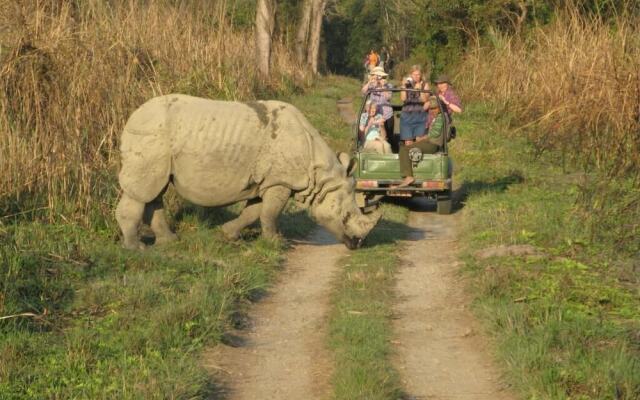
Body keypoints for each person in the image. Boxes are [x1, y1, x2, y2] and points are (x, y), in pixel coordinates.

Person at [395, 97, 444, 187]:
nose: (432, 111)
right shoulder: (437, 117)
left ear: (439, 108)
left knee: (405, 149)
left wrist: (421, 139)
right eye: (431, 109)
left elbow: (434, 134)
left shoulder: (441, 118)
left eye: (434, 108)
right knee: (406, 145)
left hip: (433, 144)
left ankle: (409, 176)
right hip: (431, 143)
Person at [361, 66, 394, 147]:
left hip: (387, 115)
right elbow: (363, 92)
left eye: (380, 76)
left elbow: (388, 97)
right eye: (377, 75)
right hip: (374, 113)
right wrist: (370, 82)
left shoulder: (388, 85)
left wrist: (383, 86)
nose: (378, 78)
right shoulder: (372, 85)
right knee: (372, 134)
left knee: (387, 137)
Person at [399, 65, 430, 146]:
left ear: (421, 75)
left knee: (419, 142)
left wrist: (420, 90)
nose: (416, 76)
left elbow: (425, 100)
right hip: (407, 117)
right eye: (414, 74)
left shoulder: (425, 84)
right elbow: (403, 99)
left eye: (418, 74)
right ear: (411, 75)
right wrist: (403, 86)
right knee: (408, 142)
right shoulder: (406, 84)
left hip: (420, 117)